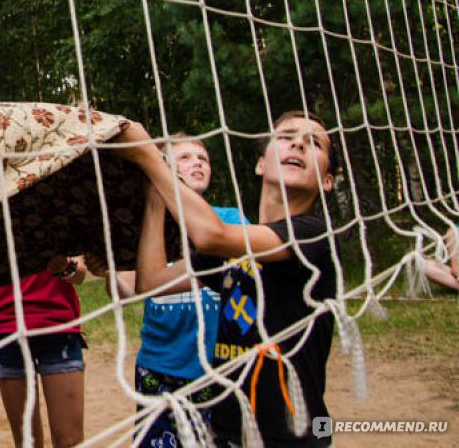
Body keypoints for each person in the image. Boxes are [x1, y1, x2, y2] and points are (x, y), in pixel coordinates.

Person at [119, 111, 339, 447]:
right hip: (227, 430)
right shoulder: (235, 242)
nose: (298, 142)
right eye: (286, 136)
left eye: (315, 143)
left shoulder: (313, 234)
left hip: (292, 435)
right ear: (261, 164)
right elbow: (151, 282)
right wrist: (155, 199)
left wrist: (150, 159)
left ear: (327, 181)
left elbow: (209, 235)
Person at [111, 134, 247, 447]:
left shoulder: (231, 221)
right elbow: (130, 290)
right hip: (160, 368)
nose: (197, 163)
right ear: (162, 168)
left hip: (219, 369)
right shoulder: (146, 230)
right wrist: (110, 268)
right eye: (184, 157)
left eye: (203, 158)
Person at [0, 255, 87, 448]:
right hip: (7, 327)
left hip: (57, 325)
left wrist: (66, 267)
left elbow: (80, 273)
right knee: (27, 443)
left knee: (70, 441)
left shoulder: (59, 224)